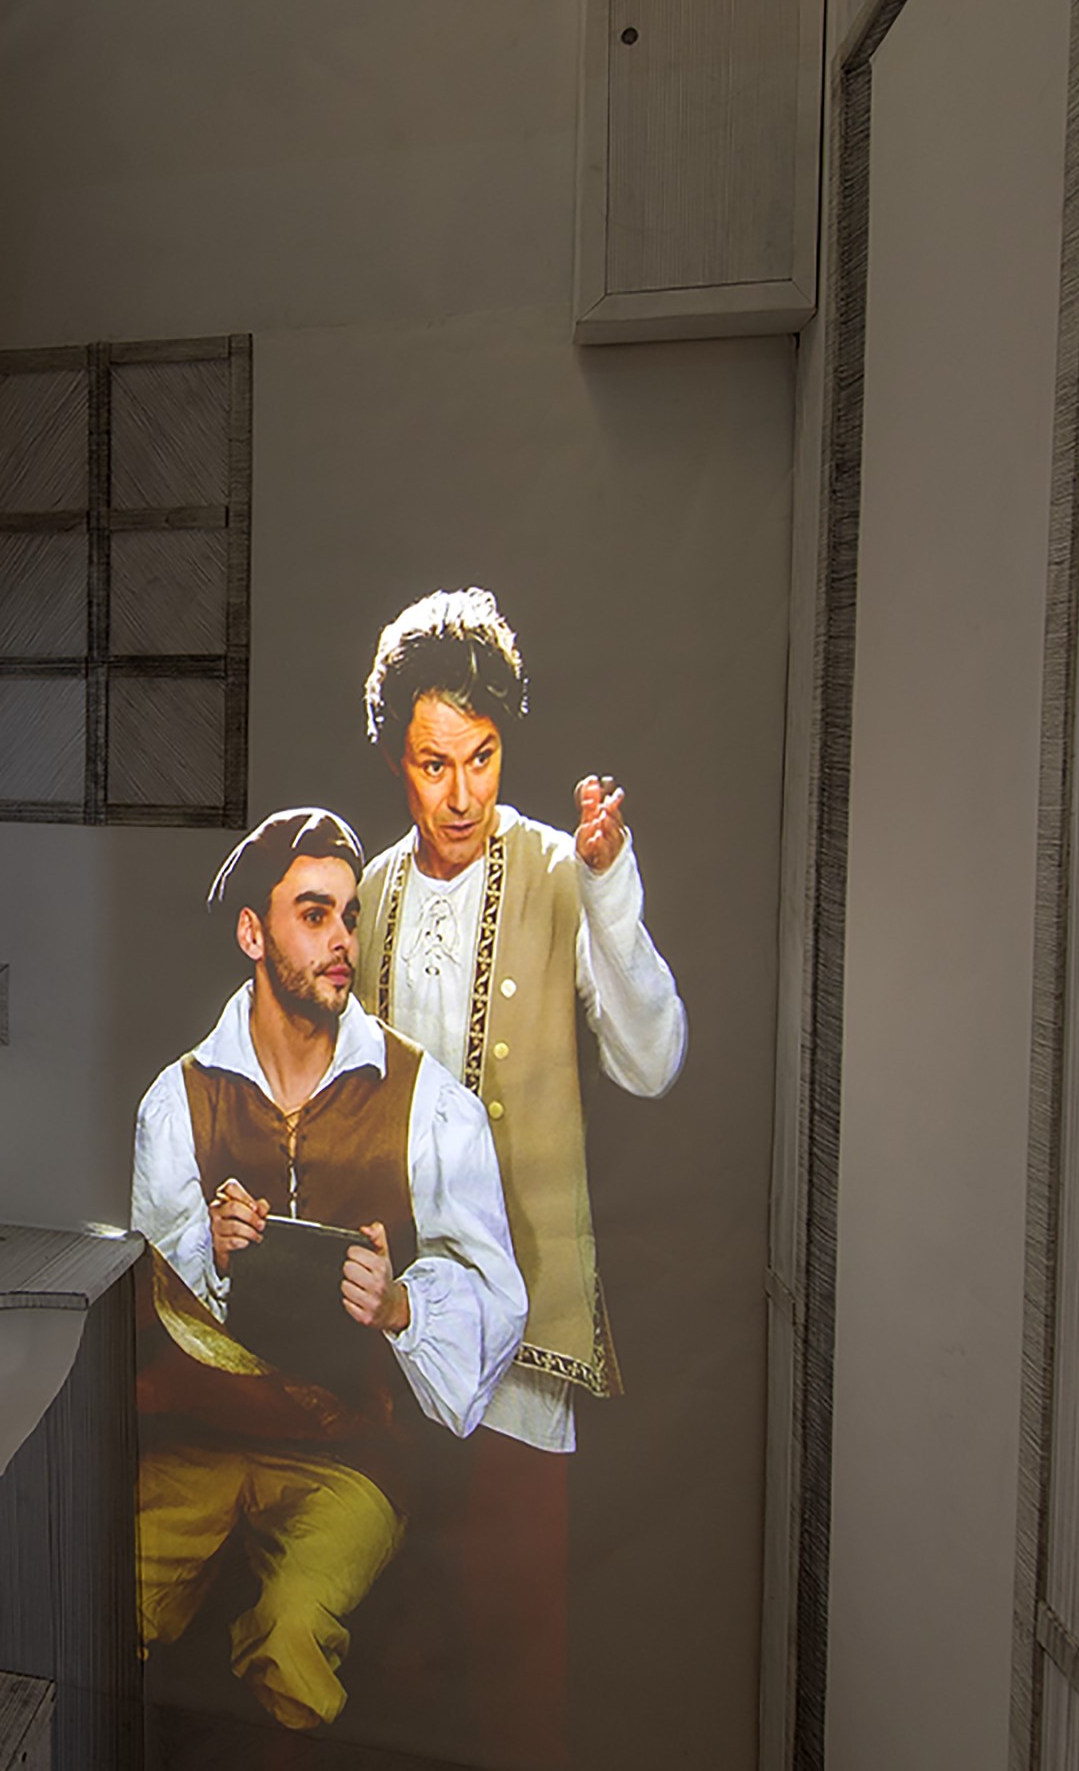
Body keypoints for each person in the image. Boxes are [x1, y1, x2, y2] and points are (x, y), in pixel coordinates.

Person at [352, 588, 687, 1763]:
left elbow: (652, 1059)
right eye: (432, 763)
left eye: (482, 757)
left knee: (515, 1631)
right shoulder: (370, 893)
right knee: (387, 1627)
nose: (460, 794)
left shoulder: (563, 867)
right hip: (393, 1316)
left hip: (523, 1320)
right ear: (396, 758)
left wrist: (610, 889)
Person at [131, 807, 526, 1734]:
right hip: (198, 1440)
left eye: (349, 916)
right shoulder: (177, 1101)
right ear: (253, 934)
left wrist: (399, 1307)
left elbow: (495, 1294)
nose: (343, 939)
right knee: (108, 1586)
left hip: (353, 1453)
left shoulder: (430, 1103)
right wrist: (207, 1248)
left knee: (291, 1626)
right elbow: (148, 1291)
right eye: (314, 915)